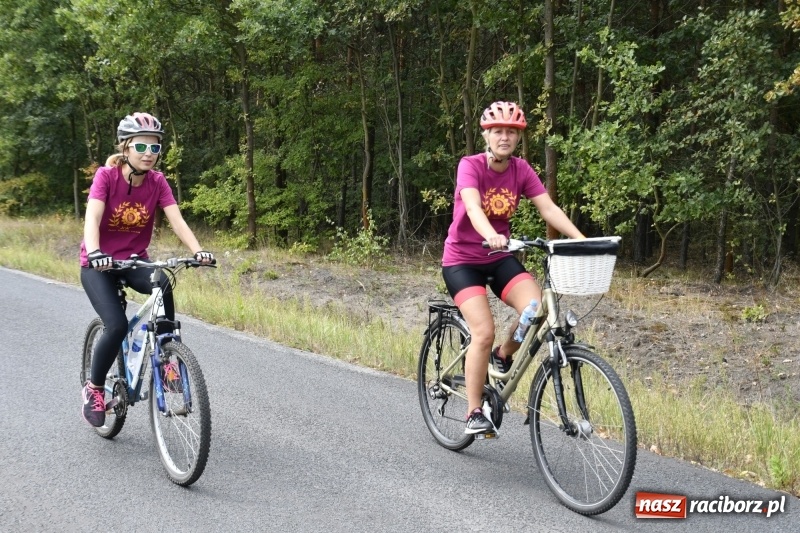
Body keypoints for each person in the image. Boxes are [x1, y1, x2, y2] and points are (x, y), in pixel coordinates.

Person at [441, 101, 584, 435]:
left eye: (511, 132)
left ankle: (503, 354)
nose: (504, 137)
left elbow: (548, 208)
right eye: (498, 131)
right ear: (486, 135)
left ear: (518, 137)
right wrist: (490, 234)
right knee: (483, 331)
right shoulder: (470, 165)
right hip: (462, 259)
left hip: (499, 256)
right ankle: (473, 412)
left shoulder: (521, 170)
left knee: (535, 308)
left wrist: (581, 240)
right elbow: (473, 207)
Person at [80, 112, 214, 428]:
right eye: (141, 146)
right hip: (99, 265)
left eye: (155, 148)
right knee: (115, 325)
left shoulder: (157, 182)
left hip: (135, 261)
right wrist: (96, 252)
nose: (148, 153)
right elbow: (92, 218)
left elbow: (177, 220)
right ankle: (94, 389)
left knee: (162, 282)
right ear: (125, 147)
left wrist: (197, 251)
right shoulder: (106, 176)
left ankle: (166, 358)